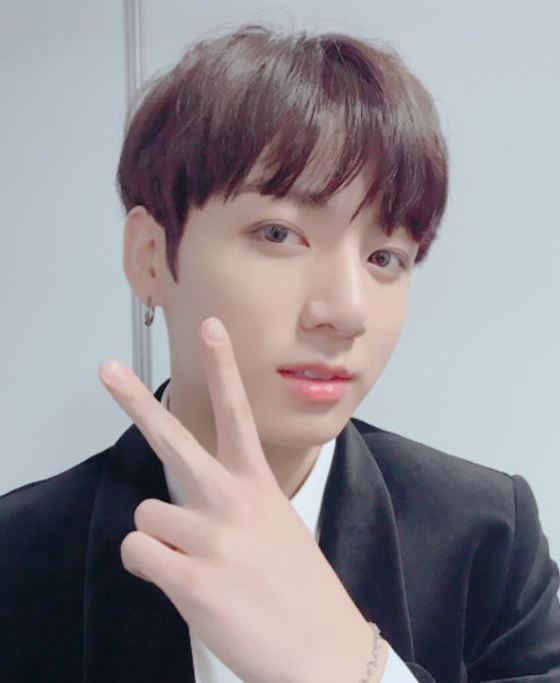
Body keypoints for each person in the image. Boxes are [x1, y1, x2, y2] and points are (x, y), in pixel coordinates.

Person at [1, 22, 559, 683]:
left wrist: (348, 666)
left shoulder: (488, 539)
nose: (346, 312)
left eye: (386, 256)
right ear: (151, 256)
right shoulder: (20, 555)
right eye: (279, 234)